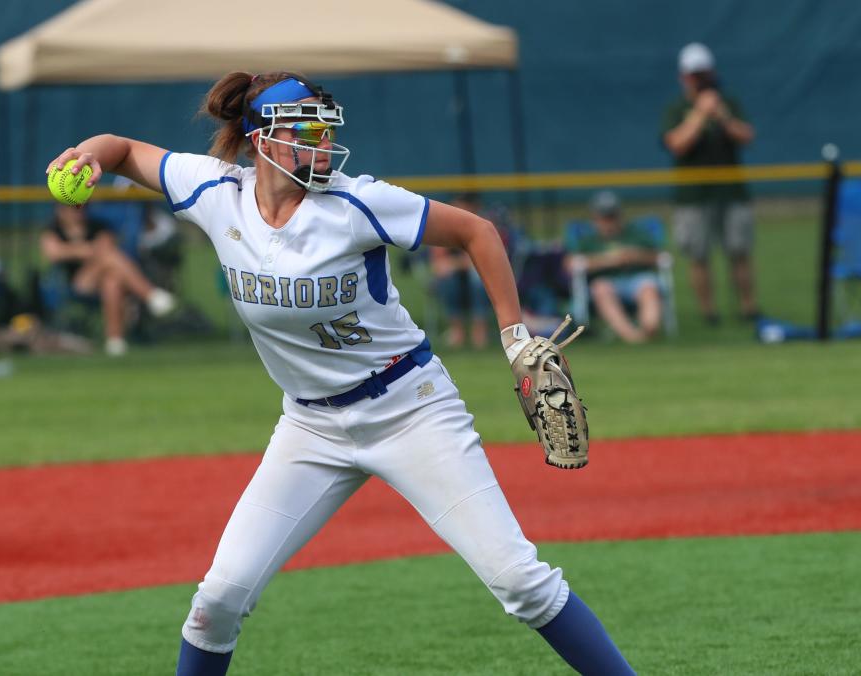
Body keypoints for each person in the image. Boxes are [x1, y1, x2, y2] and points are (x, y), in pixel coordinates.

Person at [47, 71, 634, 676]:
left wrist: (515, 339)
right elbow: (120, 149)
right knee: (217, 602)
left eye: (326, 131)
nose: (323, 145)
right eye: (306, 132)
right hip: (310, 428)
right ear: (260, 141)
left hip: (410, 408)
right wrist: (89, 154)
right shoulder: (215, 190)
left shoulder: (356, 202)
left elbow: (476, 233)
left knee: (521, 583)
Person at [662, 42, 759, 324]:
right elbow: (676, 144)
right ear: (684, 77)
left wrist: (722, 115)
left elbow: (747, 136)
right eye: (694, 74)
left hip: (731, 192)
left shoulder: (728, 103)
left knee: (739, 251)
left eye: (703, 73)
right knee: (698, 256)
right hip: (693, 196)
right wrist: (700, 114)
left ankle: (748, 308)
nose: (700, 79)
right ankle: (709, 314)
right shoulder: (677, 108)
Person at [40, 203, 177, 356]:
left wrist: (78, 250)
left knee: (112, 281)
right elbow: (53, 253)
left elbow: (106, 245)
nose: (77, 213)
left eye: (81, 207)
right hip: (80, 283)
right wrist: (86, 250)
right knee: (109, 257)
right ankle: (150, 294)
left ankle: (115, 342)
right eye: (71, 209)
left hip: (104, 281)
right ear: (60, 212)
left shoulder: (97, 226)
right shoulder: (53, 230)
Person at [565, 191, 663, 343]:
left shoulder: (635, 233)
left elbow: (660, 257)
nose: (608, 222)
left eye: (612, 217)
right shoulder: (588, 239)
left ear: (620, 216)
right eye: (603, 218)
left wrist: (634, 256)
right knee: (601, 288)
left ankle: (649, 329)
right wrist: (607, 260)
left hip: (637, 280)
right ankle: (632, 336)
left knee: (648, 286)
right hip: (606, 282)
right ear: (595, 218)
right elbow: (570, 264)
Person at [429, 194, 492, 348]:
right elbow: (439, 267)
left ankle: (480, 329)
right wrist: (460, 264)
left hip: (478, 279)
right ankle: (457, 330)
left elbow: (481, 262)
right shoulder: (442, 230)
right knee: (449, 279)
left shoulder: (482, 228)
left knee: (476, 277)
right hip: (452, 281)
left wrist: (455, 264)